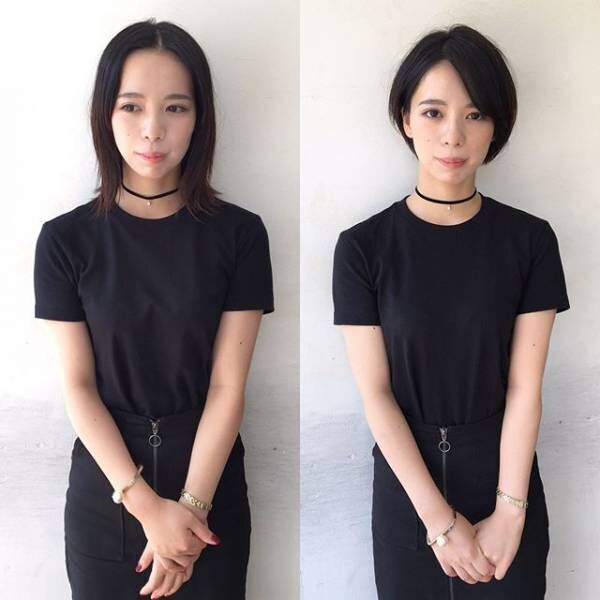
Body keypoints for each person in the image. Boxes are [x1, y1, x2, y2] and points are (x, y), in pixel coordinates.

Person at [33, 19, 274, 600]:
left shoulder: (240, 235)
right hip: (108, 496)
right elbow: (79, 387)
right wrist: (146, 507)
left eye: (175, 108)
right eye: (131, 106)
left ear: (200, 118)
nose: (152, 129)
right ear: (104, 114)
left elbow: (228, 386)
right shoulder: (64, 240)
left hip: (209, 495)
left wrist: (189, 513)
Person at [332, 24, 570, 599]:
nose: (453, 136)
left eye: (475, 114)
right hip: (408, 492)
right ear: (406, 119)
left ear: (496, 126)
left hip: (506, 484)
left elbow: (525, 388)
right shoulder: (362, 248)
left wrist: (510, 511)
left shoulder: (530, 241)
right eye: (434, 113)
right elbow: (376, 394)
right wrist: (439, 523)